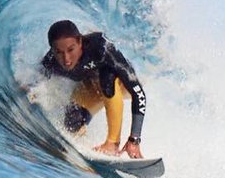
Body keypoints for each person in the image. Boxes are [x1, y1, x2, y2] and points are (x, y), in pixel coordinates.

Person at [39, 20, 147, 158]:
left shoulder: (101, 49)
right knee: (72, 123)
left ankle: (112, 144)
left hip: (121, 85)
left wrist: (134, 139)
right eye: (59, 52)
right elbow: (37, 81)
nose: (66, 59)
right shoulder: (51, 62)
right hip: (93, 90)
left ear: (80, 42)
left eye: (71, 50)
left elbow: (139, 94)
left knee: (107, 76)